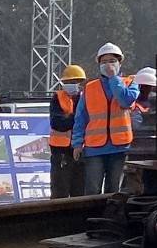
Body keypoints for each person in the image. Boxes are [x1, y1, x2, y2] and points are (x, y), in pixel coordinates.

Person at [73, 43, 140, 195]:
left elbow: (125, 101)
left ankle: (110, 217)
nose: (108, 65)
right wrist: (77, 143)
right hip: (94, 148)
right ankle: (91, 217)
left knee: (114, 190)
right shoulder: (90, 87)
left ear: (119, 63)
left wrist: (114, 79)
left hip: (119, 147)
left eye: (112, 61)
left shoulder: (130, 83)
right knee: (92, 189)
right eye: (104, 62)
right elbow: (80, 118)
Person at [48, 64, 86, 199]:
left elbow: (88, 121)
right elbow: (58, 123)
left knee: (80, 191)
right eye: (69, 82)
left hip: (81, 150)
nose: (73, 85)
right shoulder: (57, 98)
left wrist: (70, 117)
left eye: (76, 82)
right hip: (61, 151)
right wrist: (78, 119)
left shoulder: (86, 98)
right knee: (60, 190)